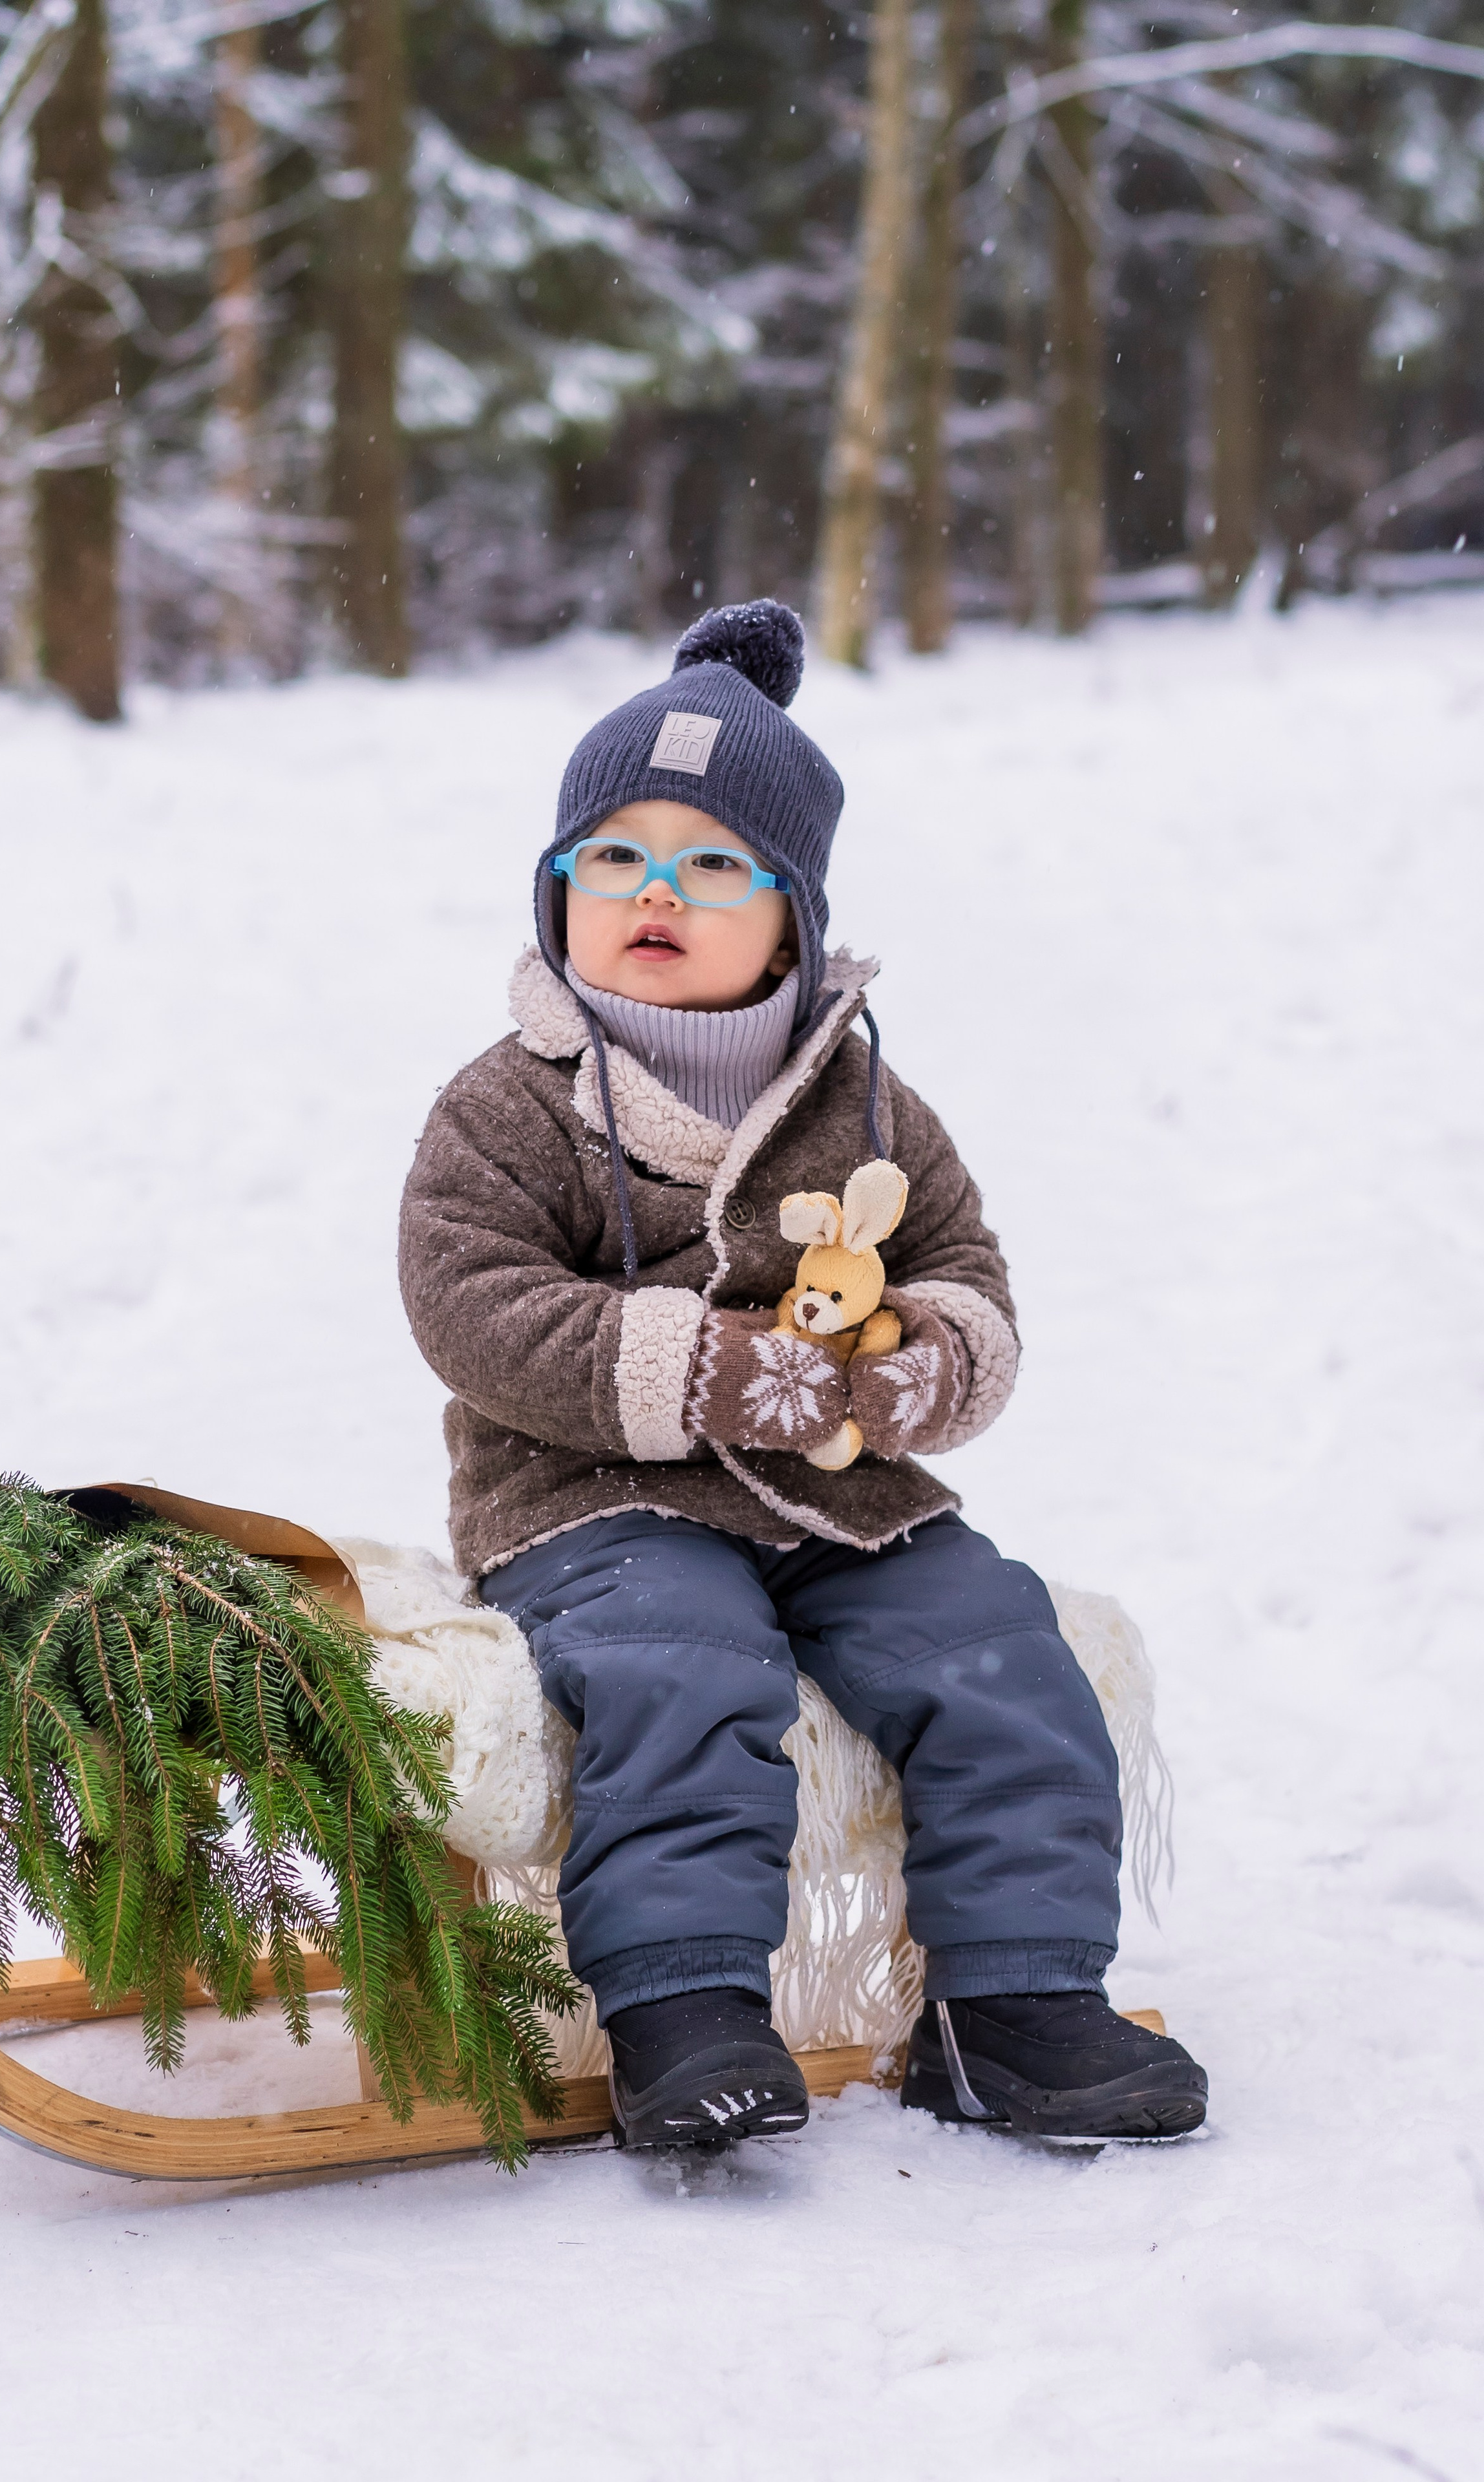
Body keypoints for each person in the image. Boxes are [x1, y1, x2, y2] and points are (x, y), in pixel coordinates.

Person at [399, 600, 1207, 2150]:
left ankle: (1016, 2005)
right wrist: (706, 1372)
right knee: (683, 1669)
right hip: (595, 1493)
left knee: (997, 1656)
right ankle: (681, 2002)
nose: (656, 893)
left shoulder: (865, 1098)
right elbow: (471, 1299)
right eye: (612, 859)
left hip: (844, 1489)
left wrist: (923, 1373)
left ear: (793, 917)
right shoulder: (513, 1105)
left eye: (713, 864)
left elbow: (962, 1266)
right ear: (557, 893)